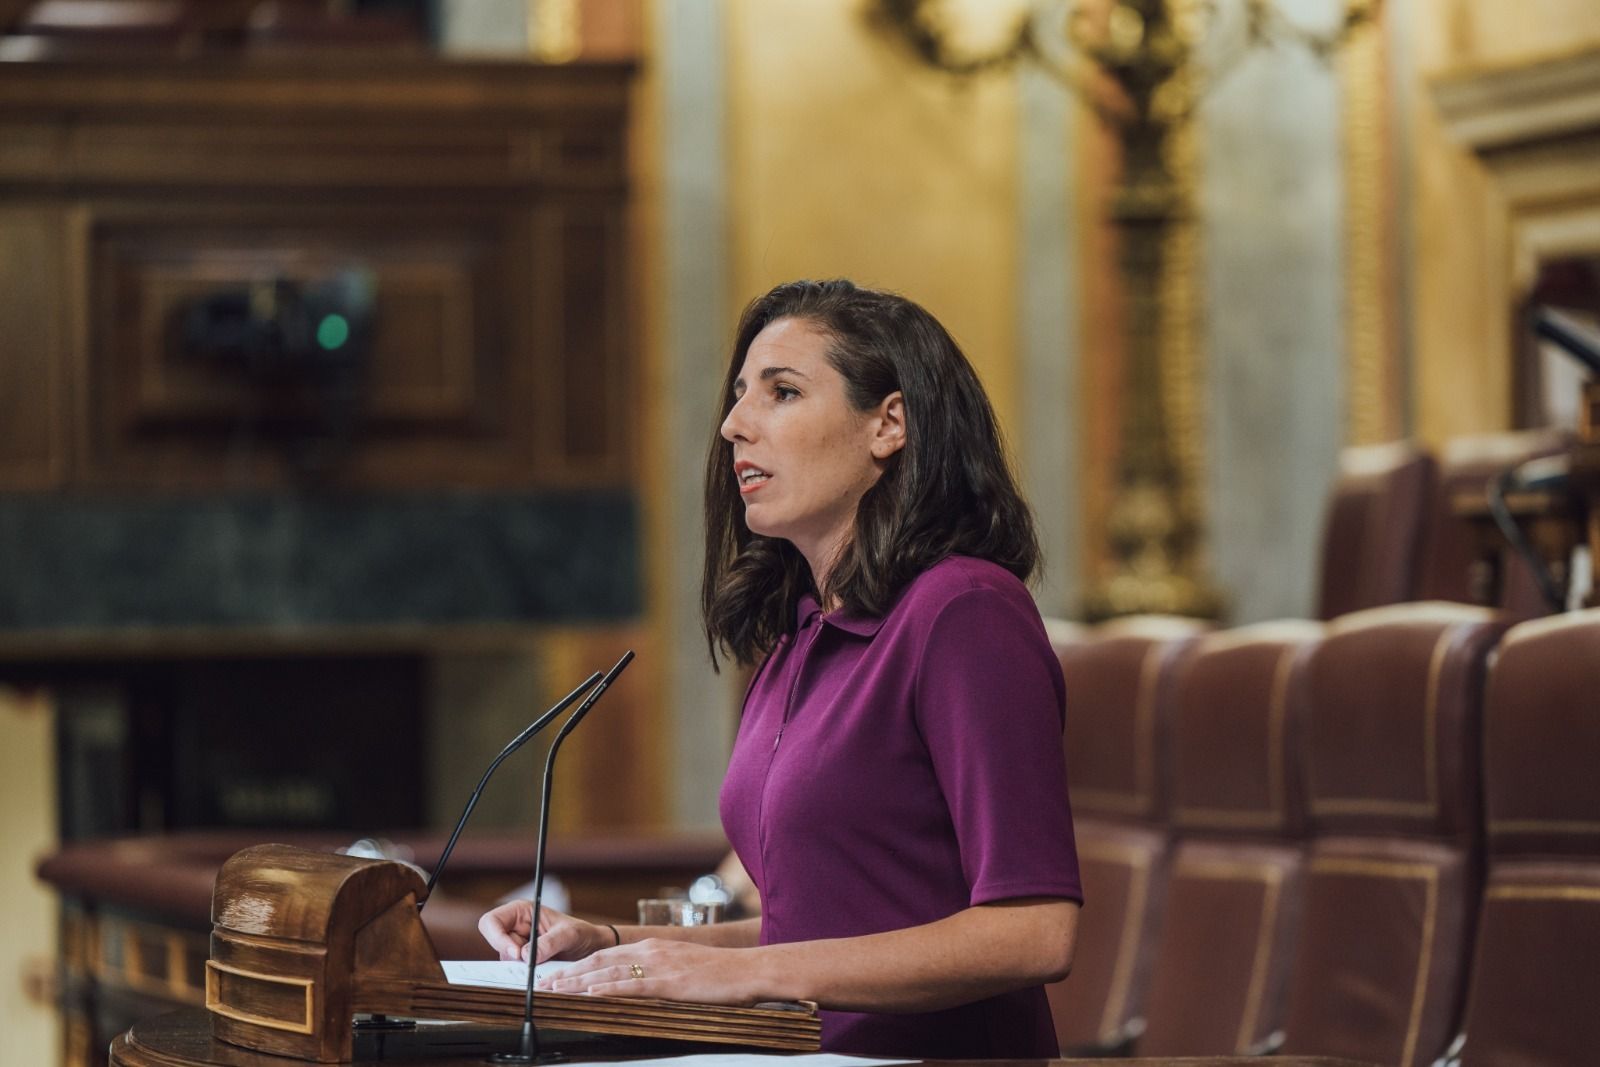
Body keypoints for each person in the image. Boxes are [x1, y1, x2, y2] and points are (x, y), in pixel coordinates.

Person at [480, 279, 1082, 1057]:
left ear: (888, 424)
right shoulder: (803, 635)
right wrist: (607, 945)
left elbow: (1033, 932)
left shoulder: (964, 612)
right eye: (738, 398)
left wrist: (743, 974)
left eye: (782, 392)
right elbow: (818, 928)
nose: (734, 425)